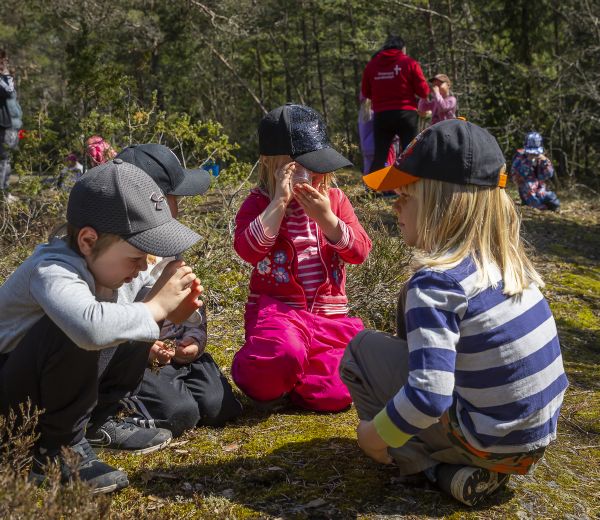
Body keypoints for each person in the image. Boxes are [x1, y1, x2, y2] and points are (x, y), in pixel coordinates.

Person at [342, 120, 568, 506]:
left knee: (360, 352)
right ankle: (468, 469)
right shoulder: (506, 264)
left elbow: (430, 396)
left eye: (406, 196)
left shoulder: (437, 284)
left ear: (441, 205)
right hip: (532, 444)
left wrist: (372, 436)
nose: (394, 205)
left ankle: (425, 464)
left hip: (484, 440)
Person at [0, 159, 204, 493]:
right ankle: (53, 451)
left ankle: (93, 425)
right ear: (87, 240)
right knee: (83, 325)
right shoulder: (52, 268)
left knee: (134, 319)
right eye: (136, 257)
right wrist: (154, 307)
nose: (142, 268)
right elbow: (89, 329)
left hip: (37, 394)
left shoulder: (104, 268)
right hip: (10, 404)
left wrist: (170, 314)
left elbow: (130, 320)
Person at [231, 103, 372, 412]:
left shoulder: (334, 200)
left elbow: (360, 251)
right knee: (282, 353)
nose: (317, 174)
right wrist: (279, 202)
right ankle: (272, 372)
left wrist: (327, 219)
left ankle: (296, 381)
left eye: (321, 165)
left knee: (336, 394)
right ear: (273, 164)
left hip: (328, 321)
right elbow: (248, 250)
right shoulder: (259, 203)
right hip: (279, 315)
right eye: (305, 166)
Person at [114, 144, 242, 436]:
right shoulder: (121, 261)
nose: (179, 206)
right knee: (180, 413)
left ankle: (179, 389)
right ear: (152, 202)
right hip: (138, 359)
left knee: (220, 406)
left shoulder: (168, 247)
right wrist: (145, 349)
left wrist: (194, 340)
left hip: (177, 350)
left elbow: (192, 304)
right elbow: (112, 321)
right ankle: (121, 407)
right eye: (174, 198)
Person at [361, 35, 429, 173]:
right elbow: (423, 91)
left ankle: (372, 190)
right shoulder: (409, 63)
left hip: (382, 115)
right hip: (406, 114)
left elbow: (365, 92)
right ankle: (409, 188)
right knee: (409, 153)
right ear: (402, 48)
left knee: (380, 155)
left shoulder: (372, 65)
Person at [510, 132, 560, 211]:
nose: (533, 154)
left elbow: (549, 174)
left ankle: (547, 206)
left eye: (535, 152)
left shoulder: (541, 158)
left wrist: (545, 162)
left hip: (540, 190)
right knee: (536, 202)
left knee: (553, 199)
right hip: (527, 191)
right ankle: (538, 205)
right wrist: (528, 162)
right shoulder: (519, 158)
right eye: (531, 152)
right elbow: (515, 177)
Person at [0, 49, 21, 202]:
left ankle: (5, 192)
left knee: (6, 159)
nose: (4, 64)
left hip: (9, 125)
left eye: (5, 61)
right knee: (3, 160)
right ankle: (2, 194)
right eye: (2, 61)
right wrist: (6, 75)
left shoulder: (5, 78)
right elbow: (8, 91)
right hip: (3, 125)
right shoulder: (4, 79)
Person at [358, 95, 397, 174]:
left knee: (369, 171)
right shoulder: (375, 114)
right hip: (378, 147)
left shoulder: (361, 115)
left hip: (366, 148)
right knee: (384, 170)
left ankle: (368, 185)